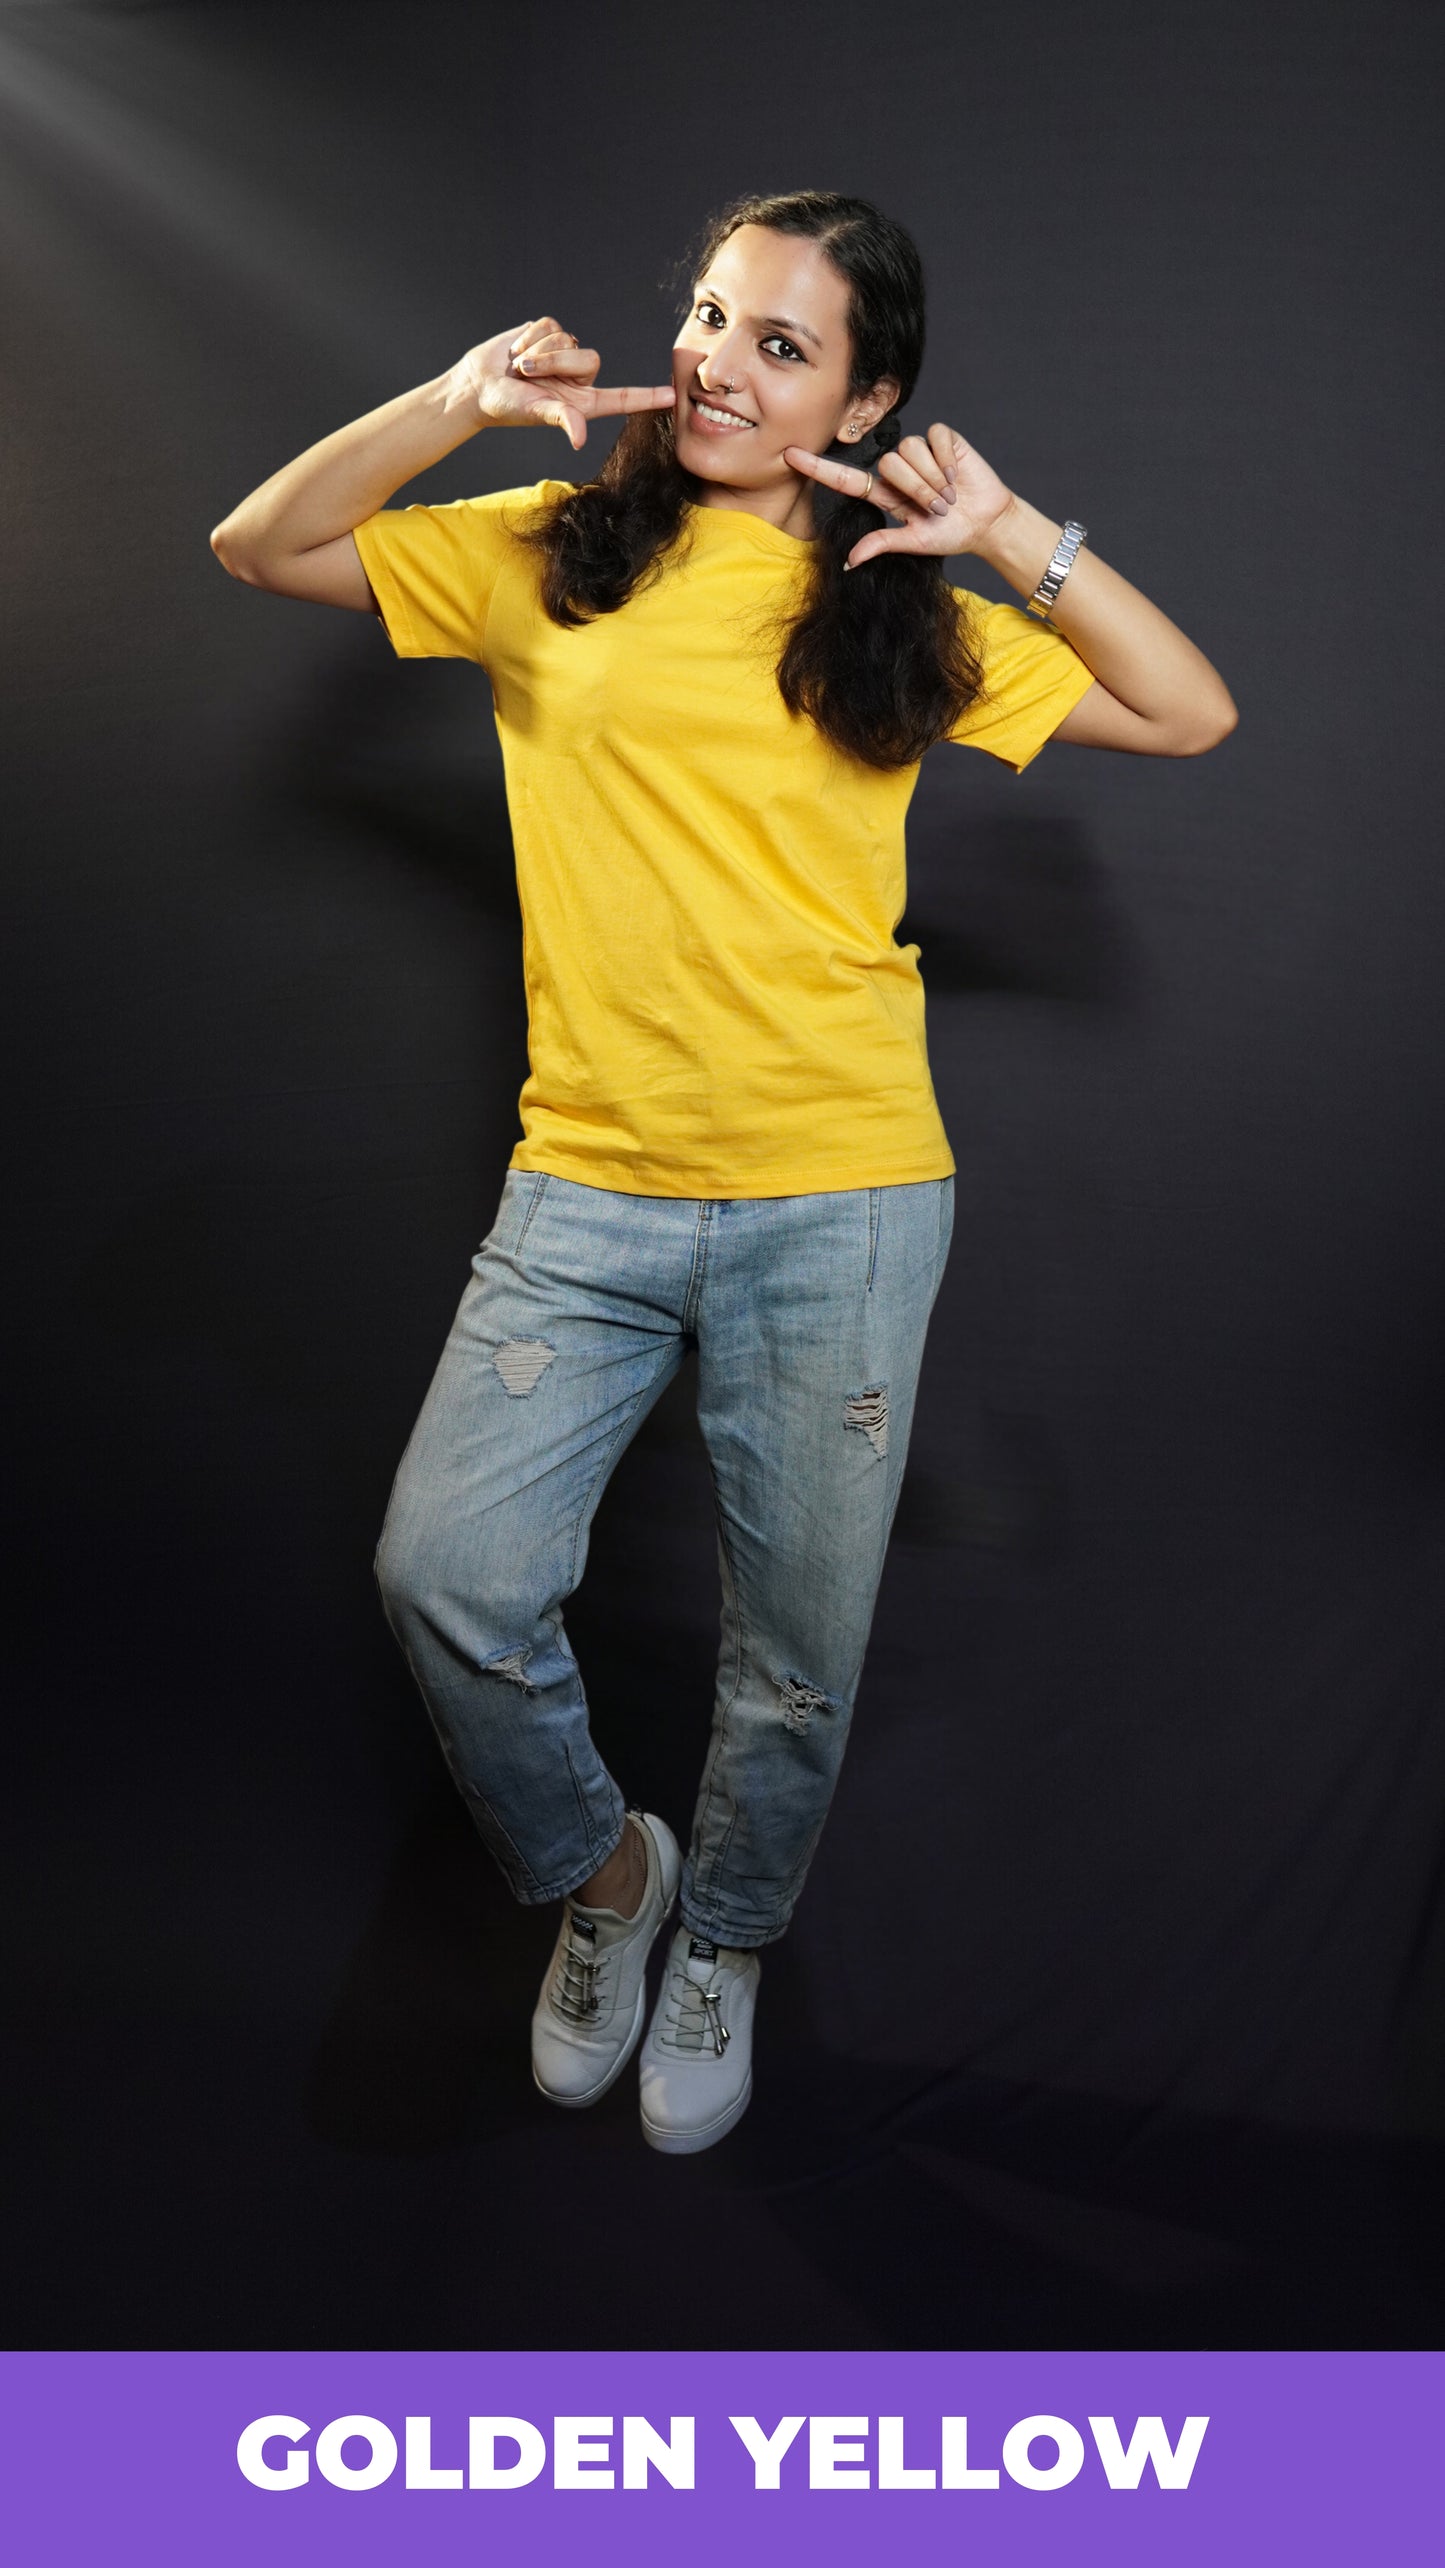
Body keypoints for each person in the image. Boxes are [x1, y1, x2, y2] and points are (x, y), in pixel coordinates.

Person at [210, 189, 1236, 2156]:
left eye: (782, 344)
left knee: (796, 1656)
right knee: (449, 1577)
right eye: (706, 316)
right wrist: (450, 402)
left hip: (840, 1202)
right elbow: (263, 544)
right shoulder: (545, 557)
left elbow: (1187, 711)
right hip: (583, 1191)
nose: (717, 362)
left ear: (869, 394)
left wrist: (1014, 535)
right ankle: (612, 1885)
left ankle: (729, 1946)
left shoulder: (905, 622)